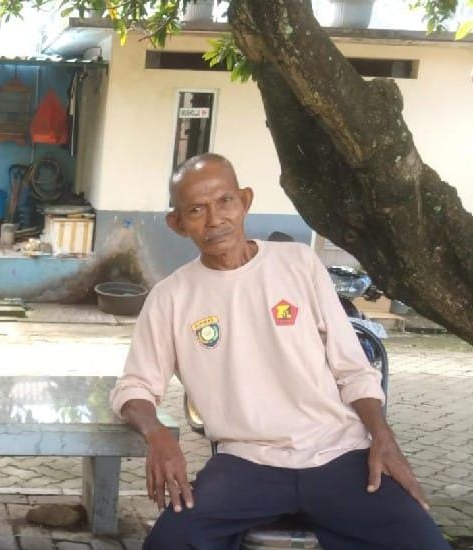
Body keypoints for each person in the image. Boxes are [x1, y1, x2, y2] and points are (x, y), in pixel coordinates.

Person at [109, 153, 448, 549]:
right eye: (196, 210)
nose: (215, 219)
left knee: (423, 542)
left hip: (338, 453)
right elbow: (133, 387)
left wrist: (382, 435)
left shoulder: (299, 263)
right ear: (178, 224)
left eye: (225, 201)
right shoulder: (171, 297)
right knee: (169, 542)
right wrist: (158, 435)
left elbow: (353, 369)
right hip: (245, 464)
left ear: (245, 201)